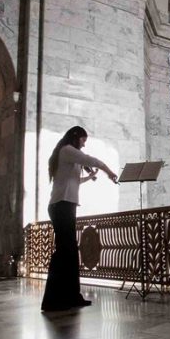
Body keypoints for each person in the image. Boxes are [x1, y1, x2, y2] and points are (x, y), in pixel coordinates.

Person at [41, 126, 118, 312]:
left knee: (68, 252)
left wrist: (89, 177)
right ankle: (55, 300)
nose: (84, 145)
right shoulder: (67, 150)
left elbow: (72, 181)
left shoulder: (65, 153)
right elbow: (92, 160)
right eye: (83, 140)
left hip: (63, 205)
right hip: (62, 206)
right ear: (75, 137)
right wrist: (109, 172)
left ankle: (70, 297)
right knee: (65, 252)